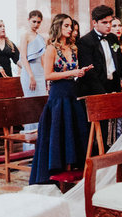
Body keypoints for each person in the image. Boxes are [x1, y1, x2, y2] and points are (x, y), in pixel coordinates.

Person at [29, 14, 91, 185]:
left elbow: (73, 70)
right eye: (66, 26)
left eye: (71, 26)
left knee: (75, 131)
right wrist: (72, 73)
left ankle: (74, 170)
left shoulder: (73, 48)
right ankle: (55, 171)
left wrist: (81, 71)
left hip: (72, 93)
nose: (70, 29)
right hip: (58, 95)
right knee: (58, 133)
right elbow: (48, 75)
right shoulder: (51, 49)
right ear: (58, 27)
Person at [77, 5, 122, 96]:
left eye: (110, 22)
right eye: (104, 22)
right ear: (94, 23)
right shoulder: (85, 41)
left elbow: (121, 64)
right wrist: (102, 94)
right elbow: (90, 73)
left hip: (114, 86)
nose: (108, 25)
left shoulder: (112, 38)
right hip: (95, 91)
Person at [18, 10, 46, 98]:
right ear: (28, 20)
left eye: (38, 22)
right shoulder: (25, 36)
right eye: (33, 21)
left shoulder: (41, 38)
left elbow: (42, 59)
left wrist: (45, 76)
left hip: (40, 73)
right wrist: (31, 76)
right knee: (30, 102)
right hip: (28, 72)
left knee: (42, 101)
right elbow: (23, 57)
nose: (36, 24)